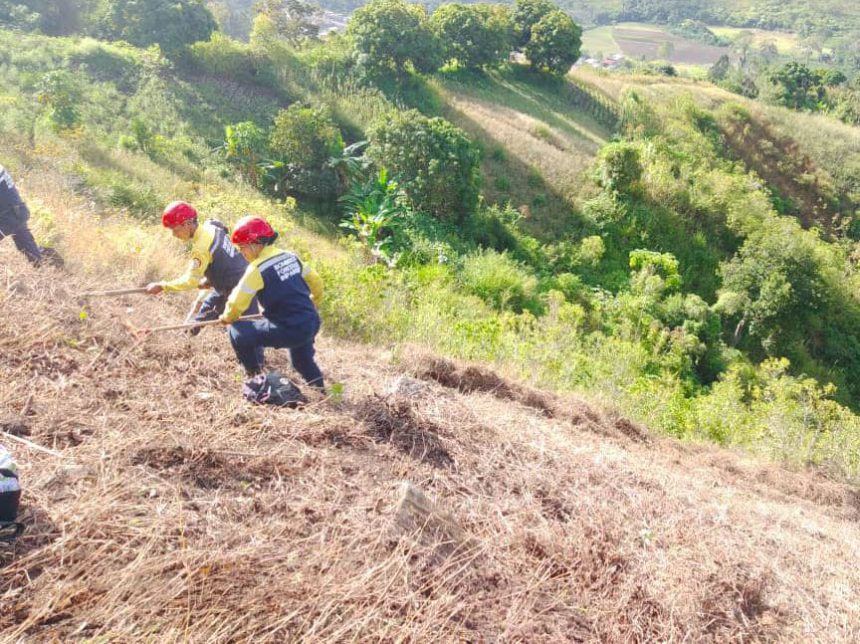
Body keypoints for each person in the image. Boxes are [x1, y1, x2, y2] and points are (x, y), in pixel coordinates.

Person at [220, 215, 325, 391]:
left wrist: (228, 317)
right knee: (302, 361)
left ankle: (255, 378)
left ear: (255, 244)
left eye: (242, 247)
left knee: (237, 332)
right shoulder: (290, 256)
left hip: (290, 328)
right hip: (311, 322)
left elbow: (237, 303)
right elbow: (316, 281)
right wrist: (315, 301)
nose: (242, 253)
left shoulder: (257, 269)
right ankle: (323, 393)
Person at [146, 201, 257, 329]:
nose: (174, 234)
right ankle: (185, 339)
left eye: (175, 229)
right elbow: (222, 255)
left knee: (247, 332)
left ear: (187, 224)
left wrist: (162, 286)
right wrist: (210, 279)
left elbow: (190, 281)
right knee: (199, 319)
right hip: (228, 283)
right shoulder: (211, 226)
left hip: (242, 288)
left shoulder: (201, 248)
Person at [0, 164, 60, 267]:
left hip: (10, 215)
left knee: (32, 254)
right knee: (31, 253)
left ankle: (52, 268)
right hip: (16, 212)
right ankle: (52, 265)